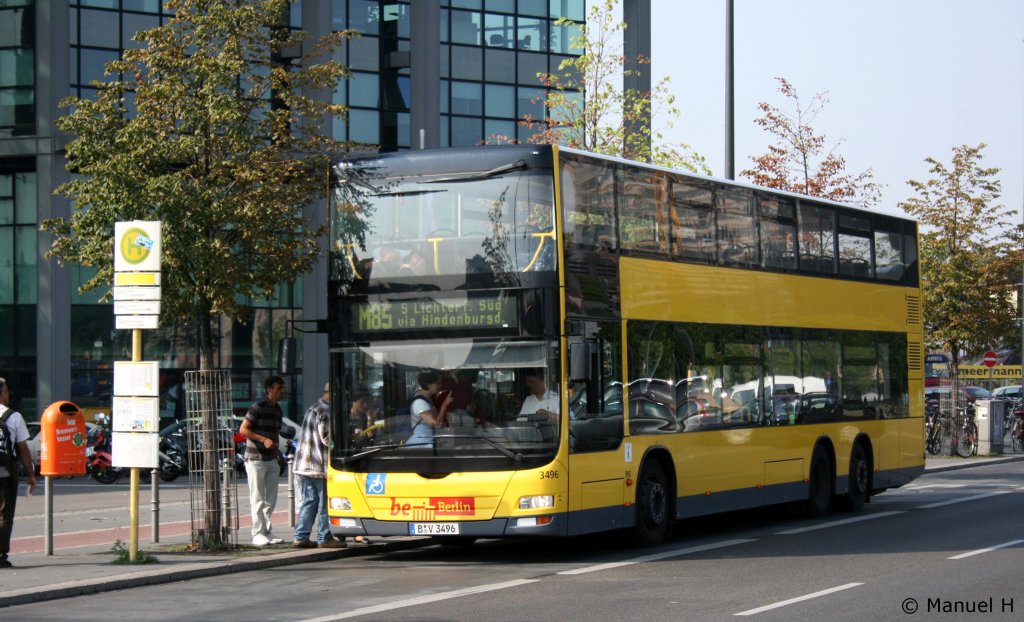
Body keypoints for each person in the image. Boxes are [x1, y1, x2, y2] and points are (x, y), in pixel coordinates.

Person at [292, 383, 345, 549]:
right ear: (333, 395)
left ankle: (301, 536)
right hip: (318, 466)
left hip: (303, 464)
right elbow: (327, 438)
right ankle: (325, 537)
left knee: (309, 502)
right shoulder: (326, 410)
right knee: (324, 504)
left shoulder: (313, 407)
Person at [240, 375, 286, 547]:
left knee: (270, 499)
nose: (282, 391)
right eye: (279, 388)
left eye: (282, 388)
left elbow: (276, 431)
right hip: (255, 459)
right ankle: (257, 533)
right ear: (269, 390)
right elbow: (243, 429)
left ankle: (266, 530)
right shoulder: (257, 407)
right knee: (258, 497)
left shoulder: (278, 409)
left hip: (271, 458)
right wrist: (262, 439)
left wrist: (277, 449)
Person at [0, 377, 36, 569]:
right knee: (4, 514)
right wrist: (31, 474)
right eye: (6, 391)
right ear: (2, 394)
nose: (8, 395)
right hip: (6, 472)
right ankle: (0, 556)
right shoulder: (14, 417)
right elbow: (23, 449)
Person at [405, 371, 454, 447]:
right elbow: (437, 424)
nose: (440, 386)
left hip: (430, 441)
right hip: (422, 444)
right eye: (437, 383)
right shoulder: (420, 402)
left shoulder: (428, 400)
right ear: (429, 385)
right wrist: (444, 405)